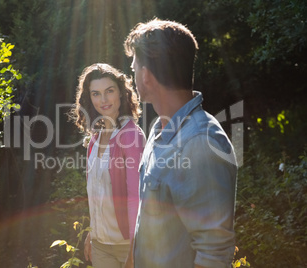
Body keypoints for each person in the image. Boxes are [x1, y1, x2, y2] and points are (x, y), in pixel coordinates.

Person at [123, 18, 237, 268]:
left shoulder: (200, 143)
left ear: (146, 76)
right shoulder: (158, 130)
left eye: (134, 70)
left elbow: (214, 255)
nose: (133, 79)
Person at [70, 63, 145, 268]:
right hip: (101, 245)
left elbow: (136, 197)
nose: (103, 100)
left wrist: (133, 251)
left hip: (126, 246)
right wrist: (92, 233)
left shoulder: (131, 136)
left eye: (109, 91)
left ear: (121, 93)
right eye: (96, 93)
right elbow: (96, 192)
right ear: (89, 98)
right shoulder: (95, 138)